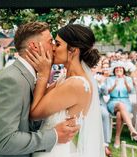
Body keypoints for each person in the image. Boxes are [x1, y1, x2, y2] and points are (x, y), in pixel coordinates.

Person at [0, 22, 79, 157]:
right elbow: (4, 142)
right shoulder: (11, 81)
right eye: (50, 42)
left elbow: (26, 122)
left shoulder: (28, 76)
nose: (54, 47)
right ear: (34, 47)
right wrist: (54, 135)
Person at [26, 24, 105, 157]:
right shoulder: (66, 77)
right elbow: (39, 98)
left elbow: (34, 113)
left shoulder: (76, 84)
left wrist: (44, 74)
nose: (53, 48)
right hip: (49, 146)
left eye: (57, 44)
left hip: (54, 151)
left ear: (73, 50)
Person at [104, 61, 137, 148]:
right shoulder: (109, 79)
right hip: (113, 102)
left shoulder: (128, 79)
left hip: (126, 101)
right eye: (117, 68)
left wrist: (126, 83)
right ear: (114, 70)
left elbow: (130, 91)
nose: (119, 69)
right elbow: (107, 92)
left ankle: (117, 137)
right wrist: (114, 85)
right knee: (120, 105)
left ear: (123, 70)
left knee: (119, 114)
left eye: (120, 68)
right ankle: (131, 128)